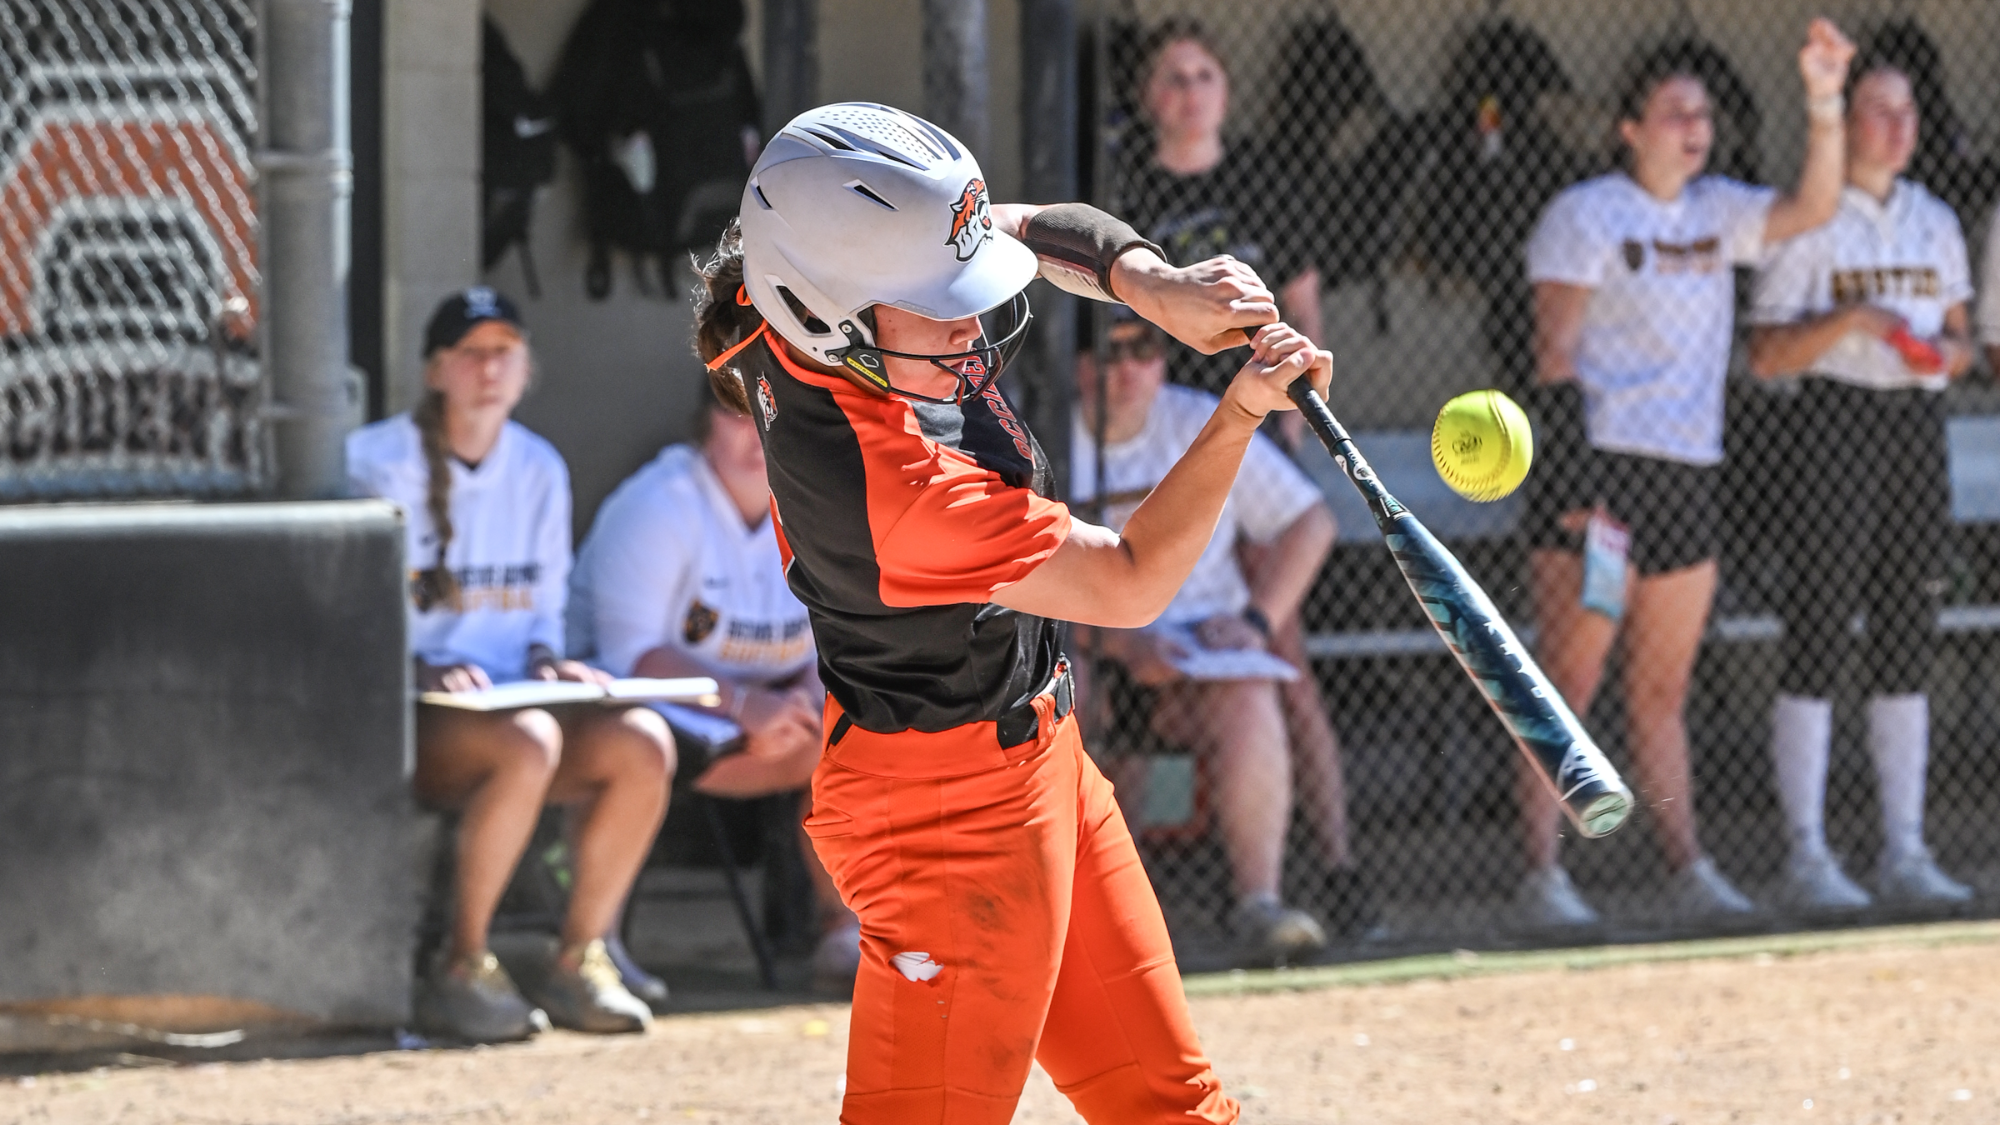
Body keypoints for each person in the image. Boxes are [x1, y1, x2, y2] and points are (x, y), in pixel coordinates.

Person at [696, 102, 1326, 1124]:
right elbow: (1129, 582)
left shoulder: (800, 301)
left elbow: (1026, 232)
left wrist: (1153, 287)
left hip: (1041, 759)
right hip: (940, 822)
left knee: (1169, 1106)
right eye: (935, 308)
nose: (971, 329)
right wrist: (1241, 412)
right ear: (831, 313)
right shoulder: (886, 492)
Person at [1515, 21, 1854, 928]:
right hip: (1598, 471)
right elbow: (1554, 353)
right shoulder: (1586, 213)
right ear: (1629, 127)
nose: (1692, 126)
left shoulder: (1718, 209)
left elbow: (1812, 209)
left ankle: (1686, 866)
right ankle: (1541, 876)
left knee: (1661, 689)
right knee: (1566, 681)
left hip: (1689, 473)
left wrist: (1824, 100)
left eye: (1702, 113)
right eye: (1673, 112)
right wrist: (1579, 492)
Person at [347, 288, 670, 1041]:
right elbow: (352, 617)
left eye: (506, 351)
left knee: (642, 741)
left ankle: (579, 957)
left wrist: (551, 662)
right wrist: (421, 665)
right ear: (435, 370)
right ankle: (462, 964)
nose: (490, 368)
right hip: (409, 725)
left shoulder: (540, 467)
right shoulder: (372, 462)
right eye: (471, 352)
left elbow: (541, 612)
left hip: (520, 712)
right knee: (529, 739)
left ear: (527, 368)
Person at [1071, 313, 1370, 963]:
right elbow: (1011, 575)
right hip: (1089, 637)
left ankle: (1258, 903)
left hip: (1198, 642)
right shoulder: (1043, 433)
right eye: (1107, 352)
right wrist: (1122, 645)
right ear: (1078, 366)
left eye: (1143, 351)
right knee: (1058, 692)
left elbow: (1309, 521)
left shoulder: (1197, 420)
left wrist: (1258, 621)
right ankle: (1078, 909)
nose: (1126, 369)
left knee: (1251, 691)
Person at [1748, 55, 1976, 911]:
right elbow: (1766, 355)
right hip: (1830, 424)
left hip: (1913, 427)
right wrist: (1850, 321)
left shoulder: (1935, 219)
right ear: (1845, 122)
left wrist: (1934, 353)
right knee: (1816, 628)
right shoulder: (1811, 217)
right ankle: (1807, 852)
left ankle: (1903, 848)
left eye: (1908, 109)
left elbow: (1962, 345)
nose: (1899, 126)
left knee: (1907, 631)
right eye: (1879, 109)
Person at [569, 383, 864, 984]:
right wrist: (744, 707)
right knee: (639, 739)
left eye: (768, 413)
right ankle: (593, 947)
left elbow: (828, 643)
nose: (754, 433)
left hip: (769, 725)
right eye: (736, 415)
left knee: (855, 730)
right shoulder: (659, 505)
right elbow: (633, 658)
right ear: (704, 425)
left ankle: (848, 928)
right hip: (637, 718)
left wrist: (803, 702)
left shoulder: (812, 506)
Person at [1114, 20, 1322, 400]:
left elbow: (1302, 297)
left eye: (1204, 76)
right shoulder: (1126, 188)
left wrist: (1298, 404)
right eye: (1174, 78)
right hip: (1166, 397)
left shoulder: (1263, 175)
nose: (1191, 90)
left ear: (1225, 93)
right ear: (1146, 96)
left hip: (1258, 385)